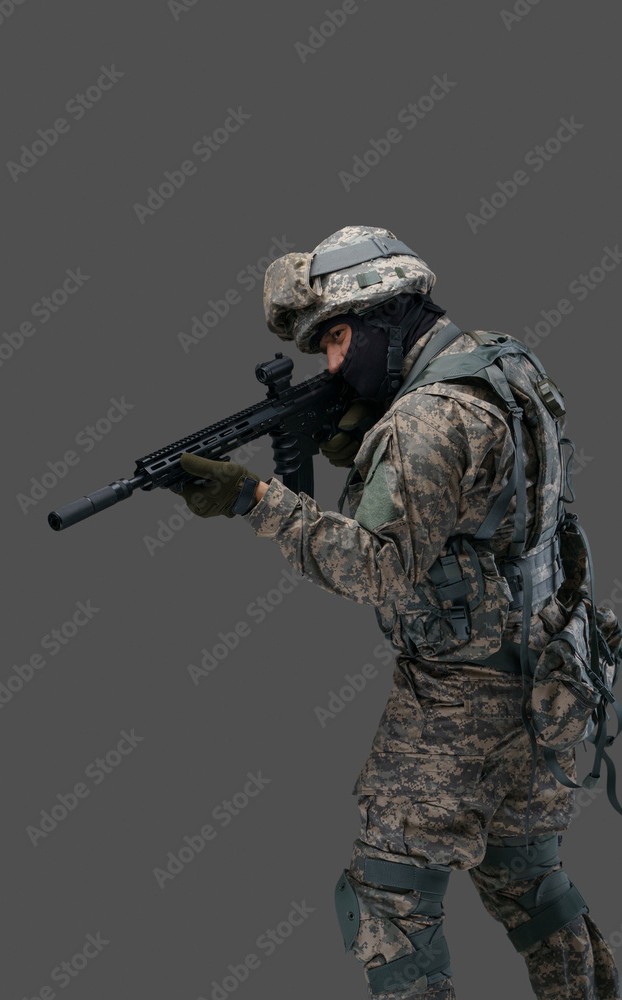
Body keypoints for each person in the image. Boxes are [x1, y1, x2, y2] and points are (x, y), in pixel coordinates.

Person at [174, 226, 621, 1000]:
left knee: (386, 895)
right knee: (525, 877)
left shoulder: (426, 422)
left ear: (384, 318)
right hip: (553, 673)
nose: (333, 364)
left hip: (461, 696)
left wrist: (255, 500)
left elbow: (374, 569)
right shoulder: (501, 363)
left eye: (338, 340)